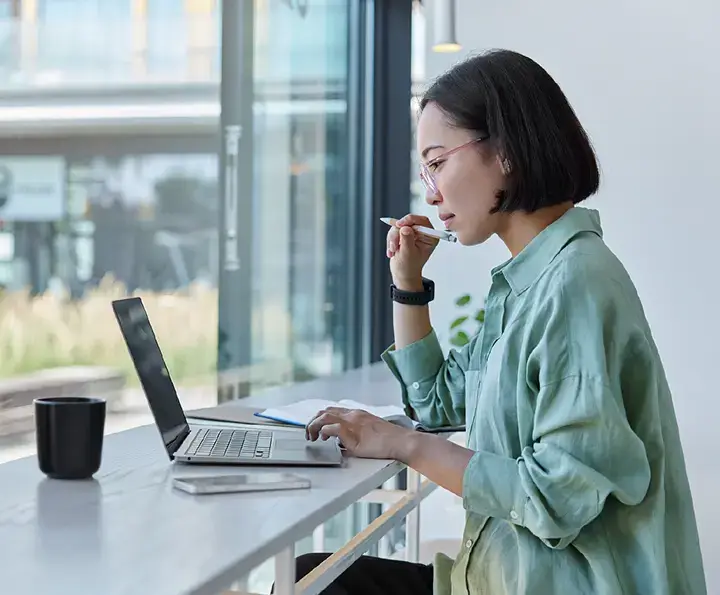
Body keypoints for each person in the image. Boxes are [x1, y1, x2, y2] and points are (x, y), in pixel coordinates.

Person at [295, 49, 707, 595]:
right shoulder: (528, 284)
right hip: (509, 578)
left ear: (507, 152)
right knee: (316, 578)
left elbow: (554, 498)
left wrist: (402, 444)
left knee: (319, 584)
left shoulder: (575, 284)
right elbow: (436, 403)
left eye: (438, 162)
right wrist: (408, 283)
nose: (430, 192)